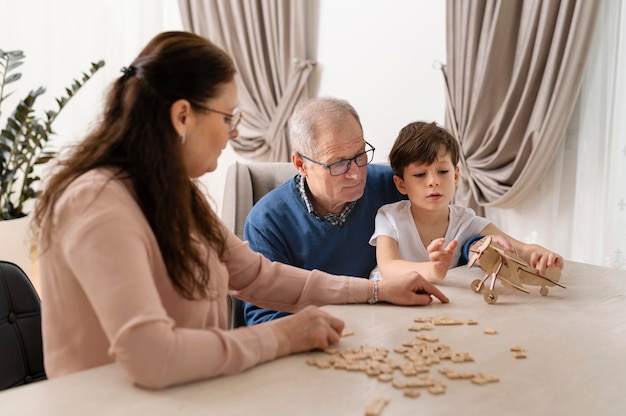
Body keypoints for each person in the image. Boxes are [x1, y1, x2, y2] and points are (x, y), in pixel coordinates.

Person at [31, 32, 449, 390]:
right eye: (228, 117)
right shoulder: (95, 201)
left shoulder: (176, 196)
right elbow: (149, 355)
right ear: (182, 116)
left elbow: (256, 275)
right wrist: (281, 337)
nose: (233, 133)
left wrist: (378, 290)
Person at [242, 98, 475, 326]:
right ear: (302, 164)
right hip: (321, 339)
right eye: (338, 164)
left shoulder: (392, 186)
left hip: (398, 326)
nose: (356, 174)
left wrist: (474, 242)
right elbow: (264, 319)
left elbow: (448, 221)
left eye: (360, 155)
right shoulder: (267, 221)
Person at [368, 121, 564, 282]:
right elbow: (388, 267)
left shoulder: (466, 221)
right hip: (387, 302)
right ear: (401, 184)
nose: (433, 181)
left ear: (456, 176)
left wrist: (540, 254)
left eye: (443, 172)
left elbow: (520, 248)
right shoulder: (390, 216)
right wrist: (433, 270)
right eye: (420, 174)